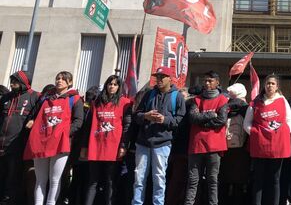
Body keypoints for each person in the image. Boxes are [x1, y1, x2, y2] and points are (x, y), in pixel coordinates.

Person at [24, 71, 84, 205]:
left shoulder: (75, 99)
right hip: (41, 142)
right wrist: (32, 121)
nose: (59, 81)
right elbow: (33, 115)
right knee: (40, 180)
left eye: (63, 79)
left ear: (69, 83)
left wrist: (63, 134)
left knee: (55, 180)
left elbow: (78, 121)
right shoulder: (45, 98)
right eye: (58, 78)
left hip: (60, 144)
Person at [131, 66, 186, 205]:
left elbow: (180, 121)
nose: (159, 80)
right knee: (139, 178)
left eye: (162, 77)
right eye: (157, 77)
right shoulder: (149, 94)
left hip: (163, 144)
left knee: (159, 178)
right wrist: (146, 116)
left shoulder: (177, 96)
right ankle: (136, 203)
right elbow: (136, 115)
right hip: (143, 142)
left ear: (170, 78)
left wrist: (165, 120)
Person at [80, 75, 132, 205]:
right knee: (92, 181)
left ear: (119, 87)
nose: (112, 86)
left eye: (115, 84)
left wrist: (123, 146)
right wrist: (84, 146)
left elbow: (127, 126)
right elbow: (87, 125)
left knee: (110, 182)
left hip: (113, 148)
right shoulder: (96, 103)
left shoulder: (125, 103)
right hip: (96, 146)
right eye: (110, 84)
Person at [244, 74, 291, 205]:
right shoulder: (255, 102)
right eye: (267, 83)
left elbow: (290, 121)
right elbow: (246, 123)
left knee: (275, 179)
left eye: (272, 83)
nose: (269, 86)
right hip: (260, 145)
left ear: (277, 86)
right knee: (258, 178)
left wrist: (282, 134)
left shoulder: (283, 101)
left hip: (277, 146)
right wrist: (255, 134)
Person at [185, 71, 229, 205]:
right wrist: (211, 115)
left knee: (212, 180)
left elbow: (221, 120)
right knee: (193, 180)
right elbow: (193, 118)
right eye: (205, 81)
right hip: (197, 145)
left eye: (210, 81)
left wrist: (202, 122)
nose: (207, 83)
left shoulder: (222, 99)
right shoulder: (196, 100)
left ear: (217, 83)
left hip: (214, 145)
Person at [0, 71, 39, 205]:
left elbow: (38, 116)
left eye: (15, 82)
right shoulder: (6, 97)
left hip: (17, 147)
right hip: (1, 144)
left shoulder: (34, 97)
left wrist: (33, 120)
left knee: (13, 179)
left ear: (24, 82)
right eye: (11, 81)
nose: (11, 84)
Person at [219, 83, 251, 205]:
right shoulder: (247, 108)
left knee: (224, 181)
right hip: (242, 150)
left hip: (225, 148)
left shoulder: (224, 107)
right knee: (240, 182)